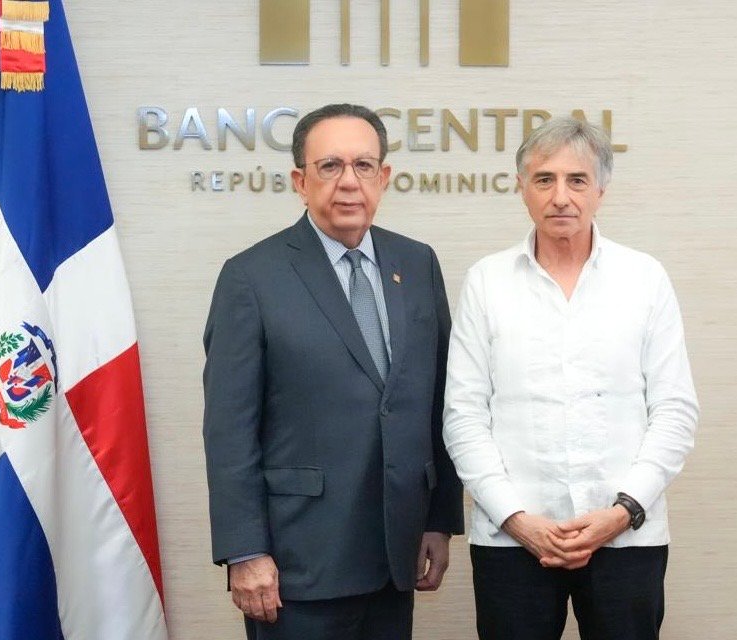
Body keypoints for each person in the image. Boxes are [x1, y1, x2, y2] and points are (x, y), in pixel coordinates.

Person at [203, 103, 464, 639]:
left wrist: (439, 519)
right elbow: (229, 429)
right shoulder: (251, 277)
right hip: (298, 564)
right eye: (330, 166)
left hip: (395, 553)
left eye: (363, 166)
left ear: (384, 177)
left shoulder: (417, 263)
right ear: (300, 181)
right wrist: (245, 550)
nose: (349, 182)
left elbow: (437, 400)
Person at [442, 116, 699, 640]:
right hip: (512, 540)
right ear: (522, 188)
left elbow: (675, 411)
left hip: (626, 537)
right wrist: (516, 518)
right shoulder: (487, 281)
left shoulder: (644, 278)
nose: (561, 196)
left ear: (600, 190)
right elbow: (463, 416)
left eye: (577, 180)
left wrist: (623, 511)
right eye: (545, 179)